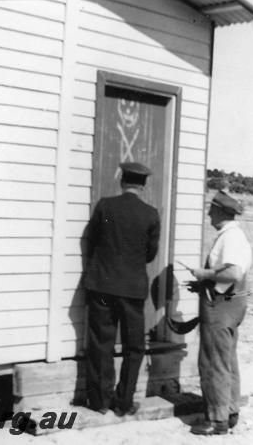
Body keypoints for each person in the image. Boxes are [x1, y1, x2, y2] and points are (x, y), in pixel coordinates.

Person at [83, 162, 161, 416]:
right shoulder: (150, 214)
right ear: (143, 186)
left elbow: (94, 240)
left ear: (122, 181)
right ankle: (124, 402)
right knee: (134, 346)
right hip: (132, 289)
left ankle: (99, 401)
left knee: (101, 343)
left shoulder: (106, 207)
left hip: (103, 286)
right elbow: (150, 254)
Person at [189, 190, 253, 435]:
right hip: (231, 303)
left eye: (211, 210)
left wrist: (204, 274)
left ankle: (217, 420)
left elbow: (233, 273)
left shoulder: (230, 238)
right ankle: (230, 412)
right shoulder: (235, 235)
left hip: (221, 307)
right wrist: (204, 284)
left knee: (213, 362)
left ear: (219, 211)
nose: (208, 214)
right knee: (227, 360)